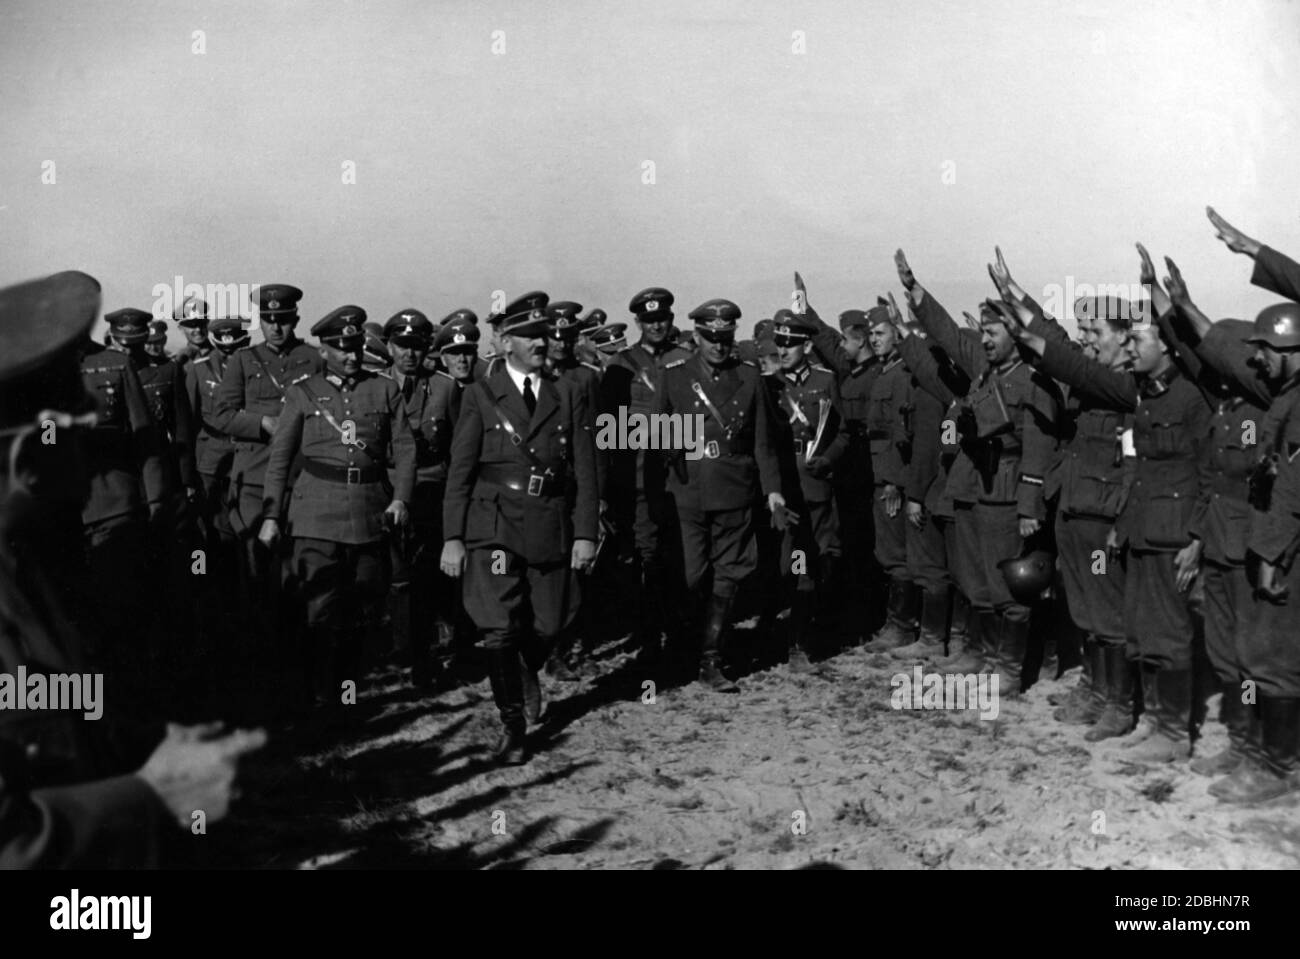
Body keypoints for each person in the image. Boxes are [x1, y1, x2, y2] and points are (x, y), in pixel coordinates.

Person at [0, 269, 265, 868]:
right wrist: (151, 795)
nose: (97, 445)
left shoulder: (28, 567)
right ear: (25, 457)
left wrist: (140, 744)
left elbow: (52, 713)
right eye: (79, 424)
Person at [440, 300, 598, 765]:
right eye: (530, 334)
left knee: (553, 618)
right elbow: (460, 472)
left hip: (549, 516)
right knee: (497, 626)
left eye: (545, 333)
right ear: (506, 343)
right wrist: (453, 536)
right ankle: (512, 727)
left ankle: (526, 667)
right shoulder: (480, 395)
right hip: (493, 523)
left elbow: (586, 469)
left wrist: (586, 531)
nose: (541, 342)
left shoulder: (565, 391)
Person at [258, 306, 416, 709]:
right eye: (341, 348)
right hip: (314, 516)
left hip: (368, 514)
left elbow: (405, 450)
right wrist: (272, 515)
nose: (351, 356)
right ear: (323, 350)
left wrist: (400, 498)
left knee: (362, 610)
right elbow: (280, 459)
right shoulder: (302, 392)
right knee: (318, 612)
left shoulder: (384, 390)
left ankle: (347, 693)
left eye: (355, 347)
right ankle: (316, 695)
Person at [656, 298, 785, 690]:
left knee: (729, 575)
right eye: (710, 337)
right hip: (689, 489)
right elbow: (660, 433)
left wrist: (774, 492)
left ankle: (712, 658)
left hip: (735, 487)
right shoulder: (674, 375)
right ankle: (684, 643)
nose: (718, 345)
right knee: (691, 575)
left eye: (724, 337)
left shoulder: (749, 377)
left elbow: (763, 442)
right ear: (696, 336)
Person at [212, 284, 323, 651]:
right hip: (255, 481)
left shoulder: (313, 358)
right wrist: (262, 424)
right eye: (269, 321)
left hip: (301, 479)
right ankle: (261, 657)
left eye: (284, 321)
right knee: (257, 572)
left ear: (295, 320)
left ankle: (298, 652)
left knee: (299, 571)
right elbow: (222, 414)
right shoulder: (243, 360)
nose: (276, 328)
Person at [602, 287, 693, 665]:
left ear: (671, 320)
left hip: (683, 477)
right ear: (639, 323)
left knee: (684, 557)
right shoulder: (622, 364)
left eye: (663, 319)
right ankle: (653, 637)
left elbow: (695, 419)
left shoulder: (686, 360)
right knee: (649, 558)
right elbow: (611, 433)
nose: (657, 325)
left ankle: (684, 633)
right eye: (649, 320)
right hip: (641, 479)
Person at [767, 312, 847, 669]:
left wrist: (829, 458)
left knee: (815, 563)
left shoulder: (826, 381)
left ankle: (800, 641)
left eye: (791, 344)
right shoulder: (768, 384)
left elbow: (844, 432)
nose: (783, 350)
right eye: (779, 343)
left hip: (816, 484)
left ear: (807, 346)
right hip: (784, 488)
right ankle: (790, 633)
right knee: (791, 564)